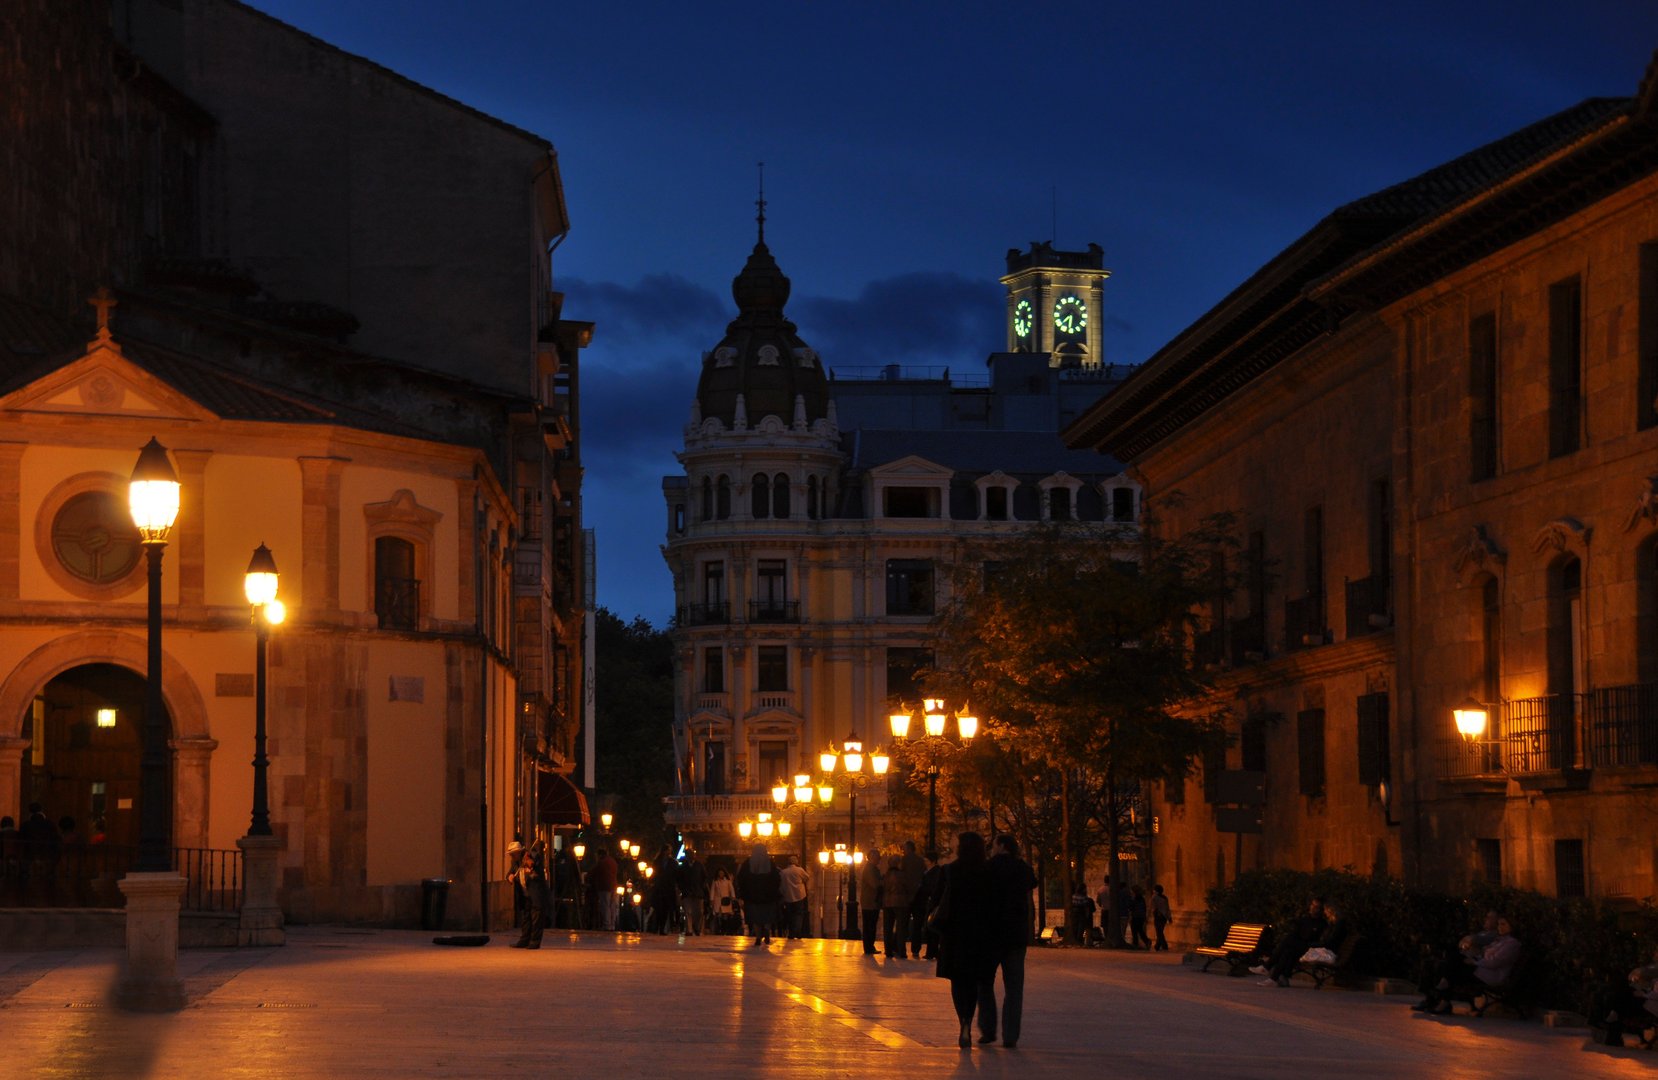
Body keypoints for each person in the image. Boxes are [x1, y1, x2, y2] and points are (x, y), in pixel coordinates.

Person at [931, 831, 997, 1050]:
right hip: (980, 935)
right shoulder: (988, 872)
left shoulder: (949, 871)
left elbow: (936, 899)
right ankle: (970, 1018)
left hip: (954, 934)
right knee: (975, 980)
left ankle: (964, 1022)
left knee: (958, 981)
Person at [984, 834, 1038, 1048]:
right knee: (1014, 988)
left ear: (1002, 846)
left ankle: (988, 1029)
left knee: (985, 983)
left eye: (994, 845)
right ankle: (1011, 1035)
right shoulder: (1021, 868)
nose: (991, 848)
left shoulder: (988, 868)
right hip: (1016, 934)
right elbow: (1032, 882)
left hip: (992, 933)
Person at [1412, 915, 1521, 1013]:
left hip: (1491, 975)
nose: (1500, 927)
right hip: (1481, 969)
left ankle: (1441, 997)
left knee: (1451, 965)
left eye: (1503, 924)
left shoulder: (1512, 944)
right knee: (1447, 964)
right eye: (1499, 924)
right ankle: (1441, 999)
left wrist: (1475, 962)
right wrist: (1474, 959)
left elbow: (1494, 962)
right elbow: (1483, 954)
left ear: (1512, 926)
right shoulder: (1499, 940)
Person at [1250, 896, 1327, 986]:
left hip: (1309, 948)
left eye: (1316, 907)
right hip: (1297, 946)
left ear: (1321, 910)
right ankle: (1273, 978)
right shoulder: (1305, 919)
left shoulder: (1322, 924)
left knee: (1288, 941)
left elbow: (1314, 939)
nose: (1313, 908)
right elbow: (1296, 933)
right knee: (1288, 951)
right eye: (1312, 905)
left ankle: (1267, 967)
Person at [735, 844, 781, 946]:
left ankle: (758, 937)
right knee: (768, 916)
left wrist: (743, 893)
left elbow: (741, 878)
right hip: (768, 896)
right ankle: (767, 931)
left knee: (756, 917)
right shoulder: (770, 863)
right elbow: (777, 879)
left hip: (752, 896)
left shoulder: (747, 863)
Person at [512, 845, 550, 949]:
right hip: (526, 895)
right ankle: (524, 940)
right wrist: (509, 877)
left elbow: (535, 868)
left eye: (513, 854)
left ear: (519, 852)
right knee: (526, 919)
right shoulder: (517, 863)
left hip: (536, 894)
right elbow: (511, 872)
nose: (511, 857)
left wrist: (530, 867)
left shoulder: (533, 857)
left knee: (536, 919)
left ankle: (535, 942)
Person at [911, 849, 943, 958]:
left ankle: (931, 951)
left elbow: (932, 888)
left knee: (929, 927)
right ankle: (930, 951)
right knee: (925, 927)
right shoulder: (927, 872)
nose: (925, 862)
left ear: (932, 861)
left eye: (926, 860)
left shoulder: (936, 872)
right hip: (923, 903)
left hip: (928, 903)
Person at [881, 855, 910, 958]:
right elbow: (907, 887)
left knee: (887, 928)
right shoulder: (902, 875)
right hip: (900, 903)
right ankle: (901, 951)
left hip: (887, 903)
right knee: (901, 928)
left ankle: (888, 951)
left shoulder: (886, 875)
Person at [679, 850, 710, 936]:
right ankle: (689, 930)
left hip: (698, 892)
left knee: (699, 912)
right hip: (687, 892)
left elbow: (705, 877)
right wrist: (682, 888)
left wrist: (702, 886)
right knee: (688, 911)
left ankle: (696, 927)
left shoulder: (699, 865)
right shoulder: (683, 866)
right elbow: (679, 879)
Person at [779, 855, 809, 939]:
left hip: (788, 896)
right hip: (799, 895)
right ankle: (798, 932)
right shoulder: (799, 870)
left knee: (790, 915)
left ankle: (791, 933)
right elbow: (807, 878)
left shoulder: (783, 872)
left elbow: (781, 885)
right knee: (798, 914)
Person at [859, 854, 883, 955]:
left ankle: (869, 946)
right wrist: (882, 882)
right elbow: (874, 884)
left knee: (870, 925)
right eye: (877, 858)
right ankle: (869, 947)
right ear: (872, 858)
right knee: (870, 925)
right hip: (870, 902)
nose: (879, 860)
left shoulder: (871, 868)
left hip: (870, 901)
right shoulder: (870, 869)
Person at [593, 846, 620, 930]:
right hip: (613, 886)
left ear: (599, 855)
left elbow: (595, 872)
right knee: (612, 905)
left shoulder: (601, 862)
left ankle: (606, 924)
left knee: (605, 905)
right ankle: (612, 924)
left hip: (604, 886)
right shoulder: (613, 861)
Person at [709, 866, 737, 933]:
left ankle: (724, 930)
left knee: (725, 915)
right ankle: (718, 929)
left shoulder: (728, 881)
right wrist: (711, 899)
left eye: (722, 873)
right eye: (719, 873)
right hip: (717, 900)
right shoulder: (715, 881)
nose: (721, 874)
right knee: (718, 915)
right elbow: (712, 890)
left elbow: (731, 889)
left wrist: (733, 897)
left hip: (725, 900)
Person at [1151, 883, 1172, 951]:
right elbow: (1167, 908)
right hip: (1164, 916)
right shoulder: (1165, 898)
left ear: (1156, 890)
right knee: (1160, 931)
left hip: (1158, 916)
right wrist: (1169, 917)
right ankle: (1158, 945)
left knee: (1159, 931)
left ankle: (1163, 945)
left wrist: (1152, 914)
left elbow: (1153, 907)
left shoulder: (1154, 897)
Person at [1128, 885, 1150, 950]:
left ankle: (1135, 944)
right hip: (1141, 917)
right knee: (1140, 930)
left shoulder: (1134, 899)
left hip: (1135, 916)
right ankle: (1146, 941)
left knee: (1134, 930)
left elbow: (1131, 907)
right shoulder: (1142, 899)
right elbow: (1144, 908)